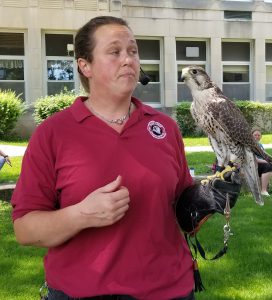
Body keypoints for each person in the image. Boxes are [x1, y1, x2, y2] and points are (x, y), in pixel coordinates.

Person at [11, 16, 240, 300]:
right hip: (82, 292)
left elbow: (181, 211)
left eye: (133, 51)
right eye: (115, 51)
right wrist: (82, 214)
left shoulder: (164, 127)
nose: (128, 60)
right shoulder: (53, 133)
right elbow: (24, 229)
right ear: (86, 65)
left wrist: (207, 199)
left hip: (167, 290)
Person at [252, 129, 272, 196]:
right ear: (251, 136)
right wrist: (267, 162)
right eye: (255, 135)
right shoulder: (249, 146)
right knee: (268, 167)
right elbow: (254, 159)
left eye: (259, 135)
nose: (257, 136)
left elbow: (265, 155)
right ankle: (263, 190)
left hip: (262, 162)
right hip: (254, 164)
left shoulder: (260, 145)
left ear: (261, 137)